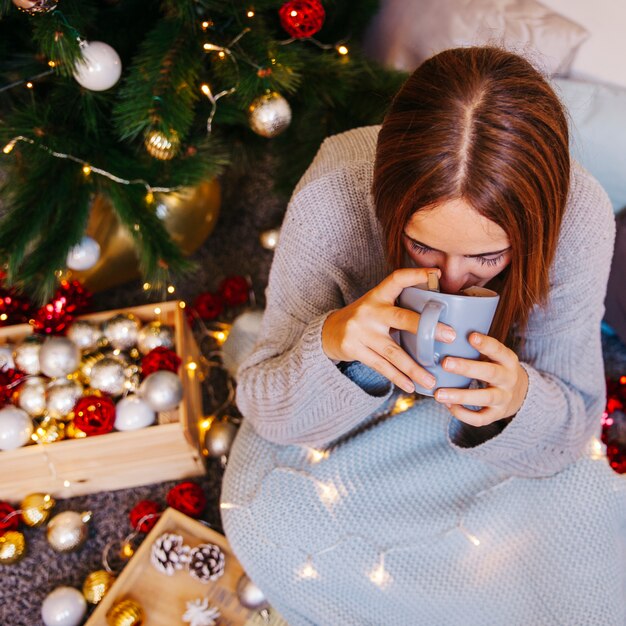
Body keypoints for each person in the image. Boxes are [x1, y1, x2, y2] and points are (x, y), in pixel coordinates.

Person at [221, 47, 626, 625]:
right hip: (345, 427)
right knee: (267, 517)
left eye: (488, 256)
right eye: (422, 245)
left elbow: (576, 418)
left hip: (485, 442)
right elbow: (267, 405)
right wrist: (336, 343)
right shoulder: (335, 191)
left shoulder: (577, 216)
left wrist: (517, 402)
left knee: (575, 544)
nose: (451, 280)